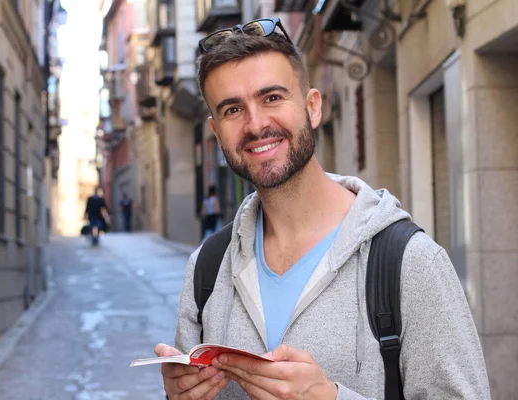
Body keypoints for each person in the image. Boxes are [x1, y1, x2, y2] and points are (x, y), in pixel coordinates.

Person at [154, 17, 490, 399]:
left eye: (272, 98)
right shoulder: (207, 270)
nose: (255, 124)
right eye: (233, 110)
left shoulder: (410, 263)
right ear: (217, 133)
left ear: (313, 108)